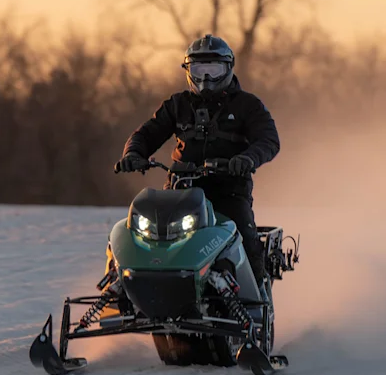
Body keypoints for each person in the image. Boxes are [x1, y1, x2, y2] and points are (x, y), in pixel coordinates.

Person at [117, 34, 280, 283]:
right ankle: (123, 286)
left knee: (245, 238)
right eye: (199, 69)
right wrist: (133, 154)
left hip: (228, 190)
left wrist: (247, 159)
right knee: (140, 234)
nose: (206, 79)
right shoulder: (177, 104)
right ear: (188, 70)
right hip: (180, 190)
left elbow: (269, 139)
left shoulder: (247, 105)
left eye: (213, 70)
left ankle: (255, 304)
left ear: (227, 69)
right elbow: (147, 133)